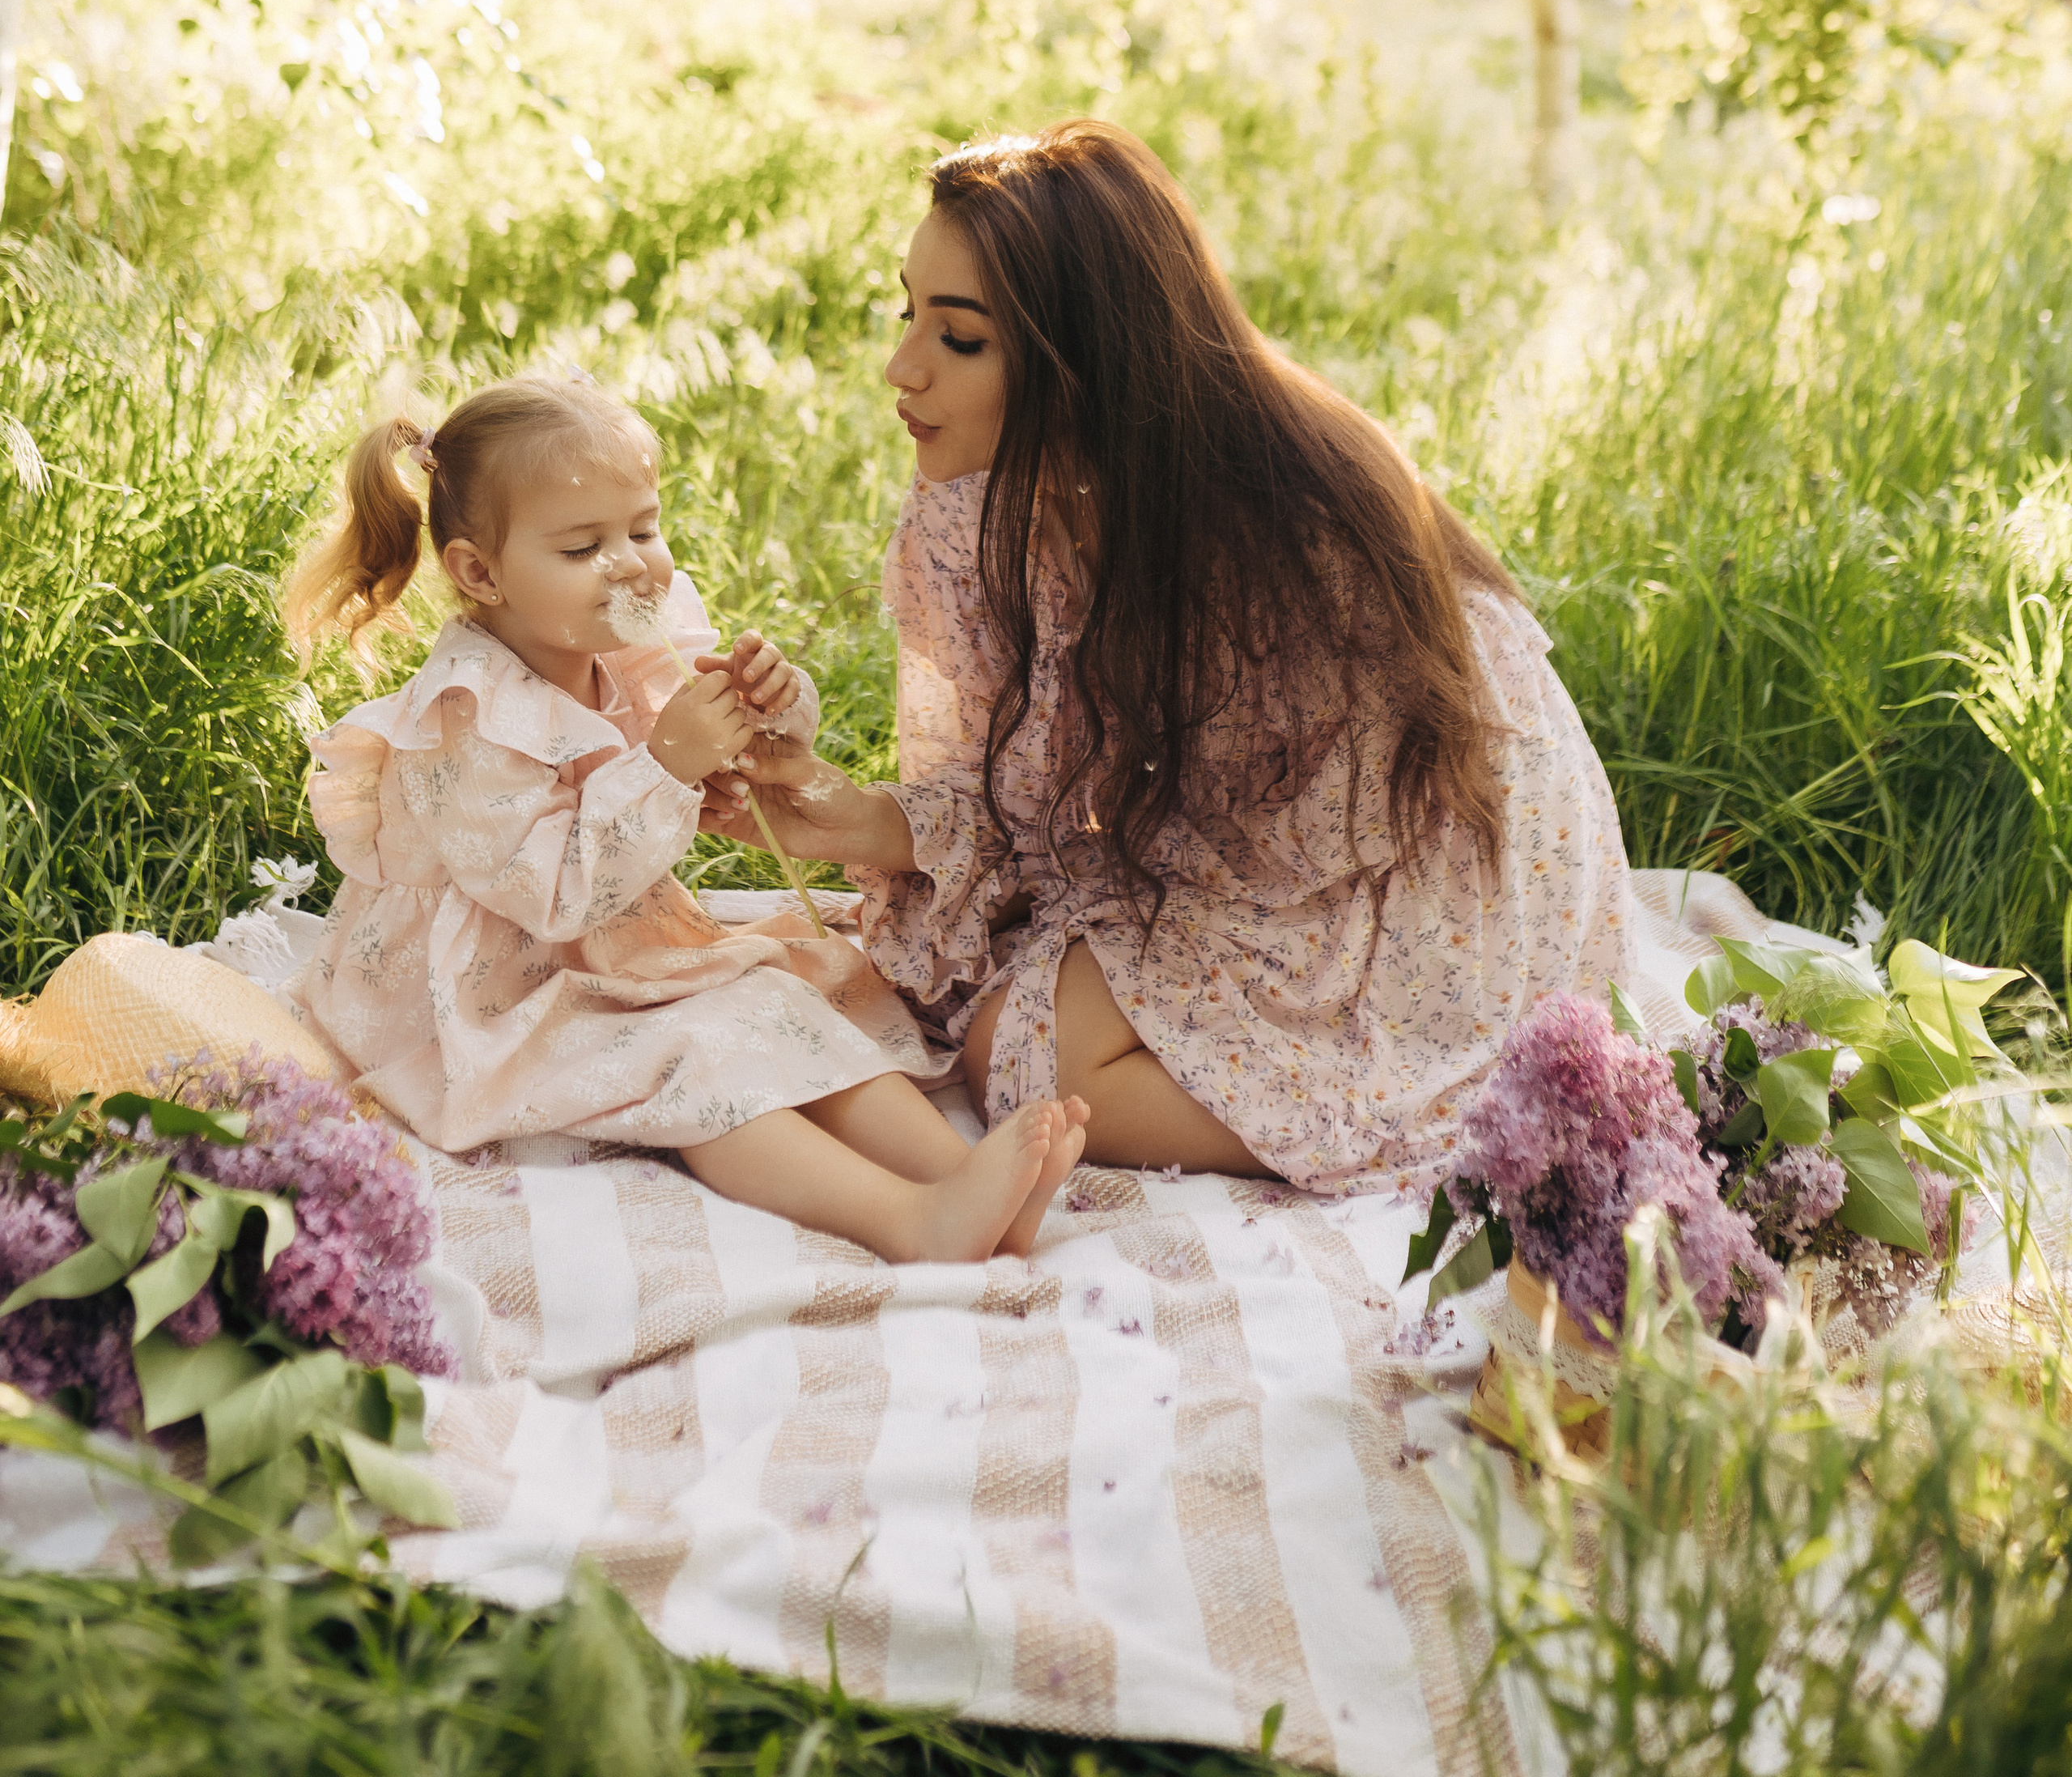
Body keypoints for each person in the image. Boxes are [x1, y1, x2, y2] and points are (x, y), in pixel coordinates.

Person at [707, 121, 1636, 1195]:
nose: (900, 368)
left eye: (960, 339)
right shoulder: (1000, 509)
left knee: (1023, 1050)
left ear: (1081, 363)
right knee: (1009, 1027)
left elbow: (1271, 843)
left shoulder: (1270, 542)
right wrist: (851, 818)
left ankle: (1432, 1110)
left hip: (1426, 866)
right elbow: (1042, 790)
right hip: (1254, 836)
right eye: (907, 312)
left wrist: (1068, 920)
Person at [282, 376, 1087, 1261]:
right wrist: (666, 767)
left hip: (613, 949)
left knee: (778, 999)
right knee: (702, 1059)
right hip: (499, 993)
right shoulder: (465, 721)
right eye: (584, 546)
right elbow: (550, 895)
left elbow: (712, 738)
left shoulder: (620, 636)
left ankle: (964, 1180)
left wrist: (765, 708)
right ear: (480, 572)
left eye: (644, 529)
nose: (631, 563)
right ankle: (907, 1220)